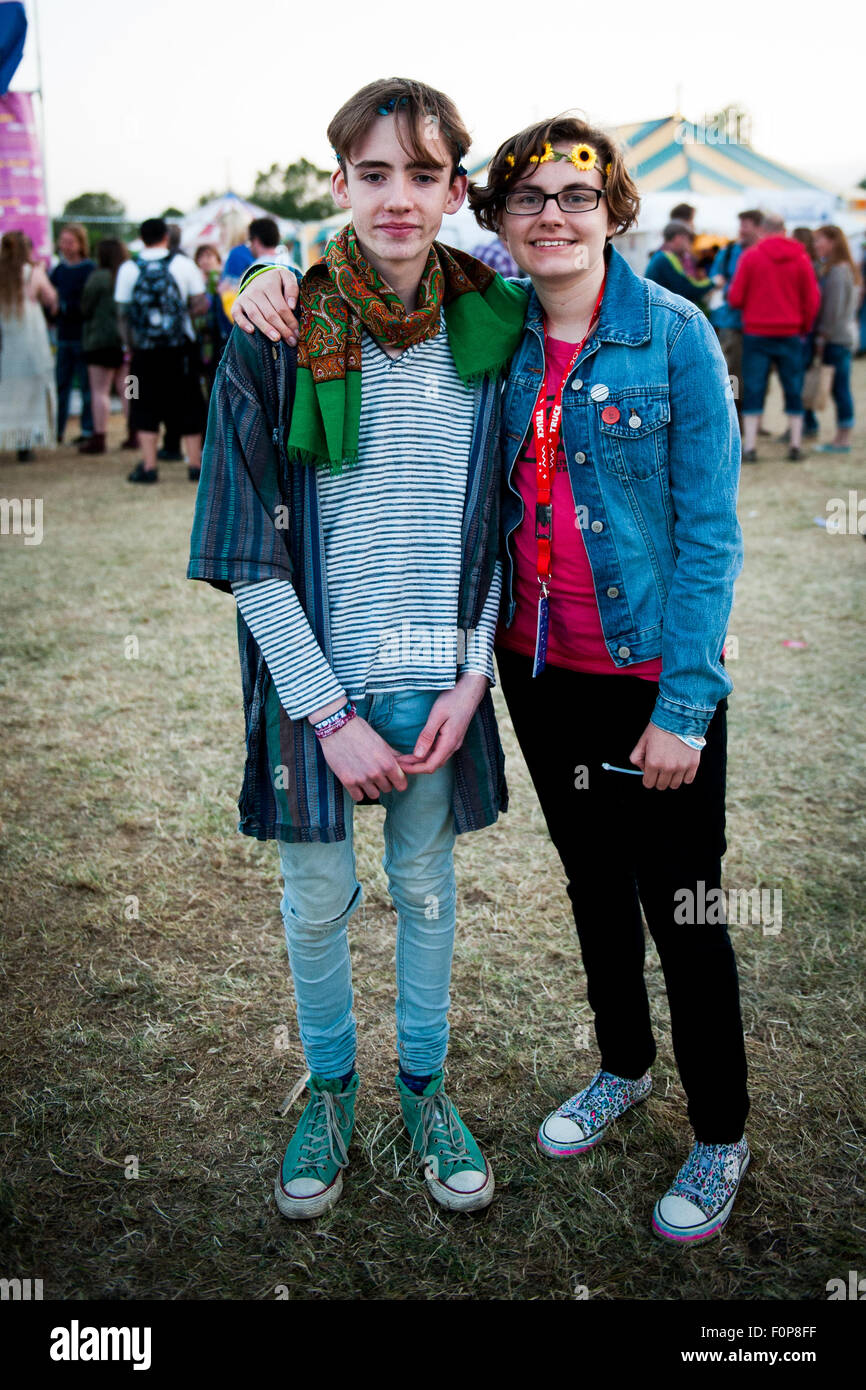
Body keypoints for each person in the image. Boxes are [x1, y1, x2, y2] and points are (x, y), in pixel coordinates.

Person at [235, 109, 753, 1247]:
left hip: (638, 675)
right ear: (500, 220)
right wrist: (263, 272)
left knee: (684, 905)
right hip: (535, 672)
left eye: (577, 196)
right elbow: (372, 288)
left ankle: (718, 1132)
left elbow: (709, 537)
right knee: (588, 886)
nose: (553, 216)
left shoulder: (668, 336)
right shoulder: (498, 327)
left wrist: (685, 703)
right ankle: (619, 1065)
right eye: (530, 199)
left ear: (612, 206)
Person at [188, 78, 528, 1221]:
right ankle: (330, 1090)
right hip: (315, 686)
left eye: (421, 174)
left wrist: (474, 674)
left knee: (428, 894)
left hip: (440, 678)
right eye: (373, 173)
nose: (396, 196)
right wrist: (325, 715)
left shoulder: (495, 328)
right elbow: (245, 549)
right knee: (317, 900)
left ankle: (425, 1091)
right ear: (336, 183)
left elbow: (496, 535)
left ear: (453, 190)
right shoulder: (276, 332)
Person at [115, 217, 209, 484]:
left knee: (144, 404)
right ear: (166, 237)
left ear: (142, 238)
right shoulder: (182, 264)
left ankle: (149, 466)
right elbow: (200, 304)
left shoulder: (128, 268)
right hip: (181, 348)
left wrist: (130, 346)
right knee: (189, 401)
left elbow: (122, 314)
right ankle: (194, 465)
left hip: (144, 352)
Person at [727, 213, 820, 462]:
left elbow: (735, 297)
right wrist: (803, 327)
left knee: (754, 387)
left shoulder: (751, 257)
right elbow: (812, 300)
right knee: (793, 387)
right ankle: (796, 444)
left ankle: (750, 447)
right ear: (784, 230)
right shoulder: (801, 258)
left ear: (763, 231)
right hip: (790, 332)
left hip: (757, 332)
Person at [0, 230, 58, 459]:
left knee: (7, 391)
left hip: (6, 342)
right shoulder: (32, 272)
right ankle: (24, 444)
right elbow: (50, 299)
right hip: (30, 342)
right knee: (29, 392)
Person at [806, 225, 859, 452]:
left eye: (820, 240)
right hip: (842, 337)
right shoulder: (844, 269)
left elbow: (832, 310)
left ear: (833, 242)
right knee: (840, 388)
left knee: (840, 389)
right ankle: (842, 436)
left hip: (835, 339)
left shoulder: (837, 270)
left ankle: (843, 439)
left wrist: (822, 337)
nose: (816, 245)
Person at [79, 238, 132, 454]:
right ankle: (135, 433)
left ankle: (99, 436)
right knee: (129, 389)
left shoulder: (97, 278)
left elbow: (86, 307)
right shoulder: (128, 274)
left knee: (99, 391)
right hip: (126, 342)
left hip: (99, 341)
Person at [709, 210, 764, 419]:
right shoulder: (729, 251)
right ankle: (732, 416)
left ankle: (754, 417)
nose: (741, 229)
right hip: (730, 321)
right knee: (731, 373)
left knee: (757, 373)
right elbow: (716, 277)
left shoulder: (762, 252)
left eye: (746, 225)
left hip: (757, 324)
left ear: (758, 227)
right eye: (740, 224)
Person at [49, 223, 95, 444]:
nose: (65, 246)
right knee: (61, 385)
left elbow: (87, 305)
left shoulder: (89, 269)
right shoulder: (58, 270)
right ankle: (57, 430)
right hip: (63, 337)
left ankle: (88, 430)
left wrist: (65, 307)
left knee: (86, 386)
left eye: (70, 242)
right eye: (63, 241)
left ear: (80, 244)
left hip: (83, 337)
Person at [192, 243, 233, 399]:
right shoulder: (197, 283)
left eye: (209, 256)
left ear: (217, 259)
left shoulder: (226, 280)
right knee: (209, 379)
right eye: (201, 257)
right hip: (204, 338)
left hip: (224, 336)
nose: (205, 260)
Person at [645, 221, 712, 308]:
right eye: (688, 239)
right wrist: (713, 282)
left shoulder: (660, 256)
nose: (689, 244)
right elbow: (687, 289)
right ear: (678, 238)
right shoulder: (668, 257)